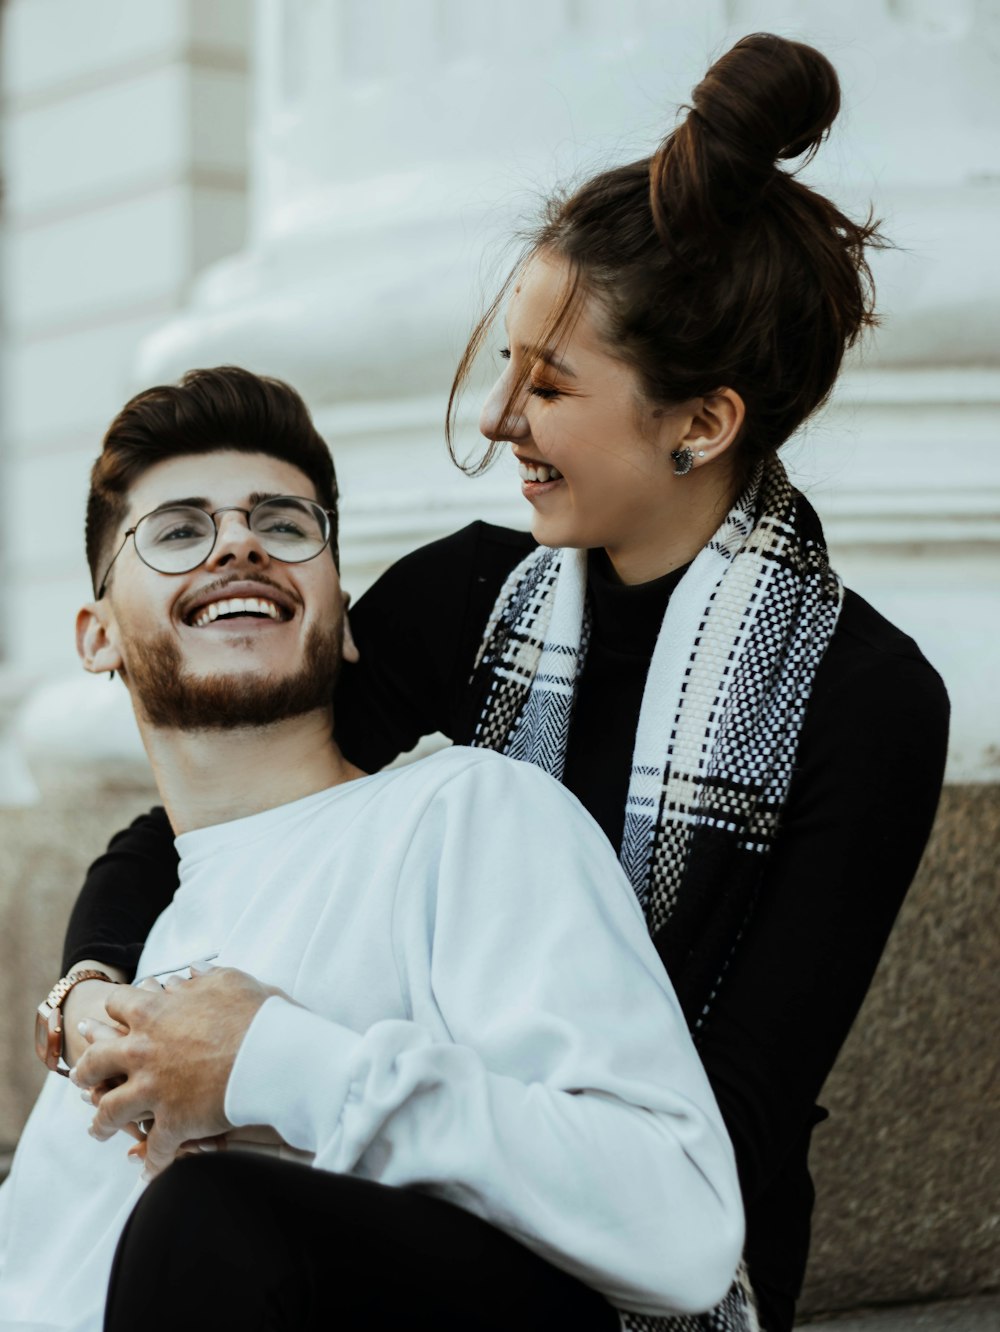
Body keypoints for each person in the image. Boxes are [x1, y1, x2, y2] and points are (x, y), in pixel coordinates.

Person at [53, 33, 947, 1332]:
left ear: (700, 424)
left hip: (641, 1253)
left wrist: (318, 1077)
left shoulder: (867, 703)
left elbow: (739, 1111)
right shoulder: (468, 598)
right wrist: (90, 993)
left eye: (549, 383)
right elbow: (201, 838)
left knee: (220, 1222)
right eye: (507, 360)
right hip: (403, 1164)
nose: (495, 416)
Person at [0, 367, 745, 1332]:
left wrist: (278, 1062)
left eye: (284, 525)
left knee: (210, 1217)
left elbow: (677, 1226)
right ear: (97, 637)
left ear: (342, 617)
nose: (238, 543)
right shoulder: (126, 970)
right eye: (180, 531)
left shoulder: (468, 817)